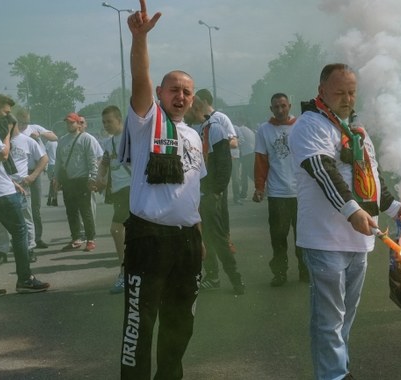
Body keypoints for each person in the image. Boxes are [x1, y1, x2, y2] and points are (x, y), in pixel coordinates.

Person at [289, 63, 401, 380]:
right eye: (339, 92)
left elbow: (372, 180)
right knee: (329, 317)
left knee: (346, 315)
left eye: (352, 92)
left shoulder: (357, 132)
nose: (347, 98)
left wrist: (397, 209)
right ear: (322, 90)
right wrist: (352, 211)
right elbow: (322, 171)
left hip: (360, 240)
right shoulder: (310, 125)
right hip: (324, 238)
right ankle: (333, 376)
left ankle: (339, 369)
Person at [119, 1, 207, 378]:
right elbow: (140, 79)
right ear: (160, 92)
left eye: (187, 92)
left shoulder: (193, 135)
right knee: (140, 325)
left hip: (186, 240)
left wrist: (199, 236)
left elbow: (192, 194)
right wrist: (139, 40)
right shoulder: (147, 122)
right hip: (149, 239)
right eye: (174, 90)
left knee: (180, 322)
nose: (181, 97)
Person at [0, 94, 49, 295]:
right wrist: (6, 132)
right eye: (5, 112)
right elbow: (3, 154)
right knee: (20, 232)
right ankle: (25, 279)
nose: (8, 116)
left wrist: (11, 181)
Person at [190, 96, 245, 295]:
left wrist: (217, 191)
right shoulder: (195, 129)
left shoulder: (214, 128)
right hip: (196, 195)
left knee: (218, 237)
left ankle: (236, 279)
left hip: (210, 194)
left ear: (195, 107)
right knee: (201, 238)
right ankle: (212, 277)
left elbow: (224, 164)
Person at [253, 93, 307, 286]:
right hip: (278, 194)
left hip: (302, 193)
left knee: (304, 237)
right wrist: (260, 187)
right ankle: (280, 273)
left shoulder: (301, 126)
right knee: (278, 237)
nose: (280, 110)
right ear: (271, 109)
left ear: (289, 106)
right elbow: (261, 161)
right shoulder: (264, 130)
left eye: (283, 106)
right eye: (276, 107)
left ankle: (305, 270)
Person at [0, 115, 48, 265]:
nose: (3, 127)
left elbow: (44, 158)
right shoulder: (0, 142)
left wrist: (33, 176)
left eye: (5, 124)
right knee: (1, 222)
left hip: (22, 185)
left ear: (12, 124)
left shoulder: (27, 140)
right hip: (3, 186)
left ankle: (30, 249)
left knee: (26, 218)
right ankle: (3, 251)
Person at [96, 105, 131, 294]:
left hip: (132, 190)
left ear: (119, 120)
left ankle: (124, 273)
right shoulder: (108, 143)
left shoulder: (131, 137)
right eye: (104, 122)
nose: (106, 125)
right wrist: (100, 179)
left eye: (109, 121)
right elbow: (105, 163)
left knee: (116, 229)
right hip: (118, 192)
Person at [54, 113, 99, 252]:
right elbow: (58, 162)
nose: (69, 125)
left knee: (85, 211)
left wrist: (93, 177)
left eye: (72, 123)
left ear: (79, 124)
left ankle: (90, 239)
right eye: (67, 123)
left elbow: (92, 159)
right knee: (71, 211)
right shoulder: (62, 140)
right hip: (68, 181)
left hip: (82, 179)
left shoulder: (87, 139)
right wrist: (56, 178)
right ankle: (76, 239)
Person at [15, 108, 57, 249]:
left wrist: (39, 135)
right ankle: (19, 238)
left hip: (35, 170)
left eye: (26, 122)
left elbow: (54, 137)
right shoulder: (14, 132)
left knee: (35, 207)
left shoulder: (34, 128)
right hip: (19, 173)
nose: (23, 126)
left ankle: (37, 237)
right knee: (19, 208)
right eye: (21, 123)